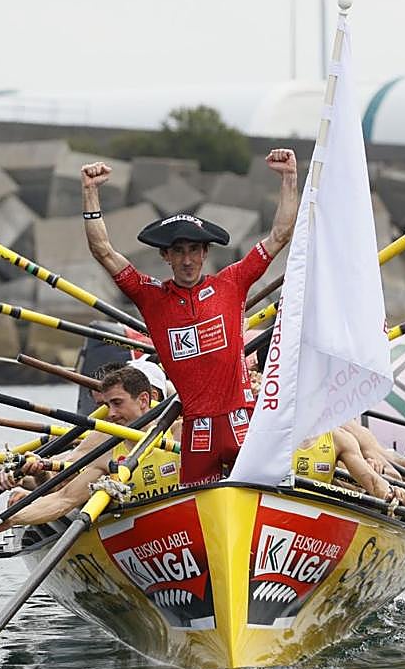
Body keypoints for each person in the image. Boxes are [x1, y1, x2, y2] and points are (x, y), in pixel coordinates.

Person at [80, 149, 300, 485]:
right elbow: (103, 251)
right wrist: (90, 191)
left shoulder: (233, 282)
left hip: (243, 420)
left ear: (205, 252)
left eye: (194, 250)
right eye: (179, 251)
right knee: (198, 507)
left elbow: (281, 234)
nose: (187, 259)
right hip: (197, 431)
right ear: (166, 255)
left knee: (272, 491)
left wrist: (289, 177)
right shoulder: (150, 297)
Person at [0, 365, 180, 529]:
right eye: (106, 406)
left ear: (143, 400)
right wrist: (8, 519)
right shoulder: (107, 453)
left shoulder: (180, 433)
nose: (111, 414)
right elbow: (64, 499)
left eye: (117, 403)